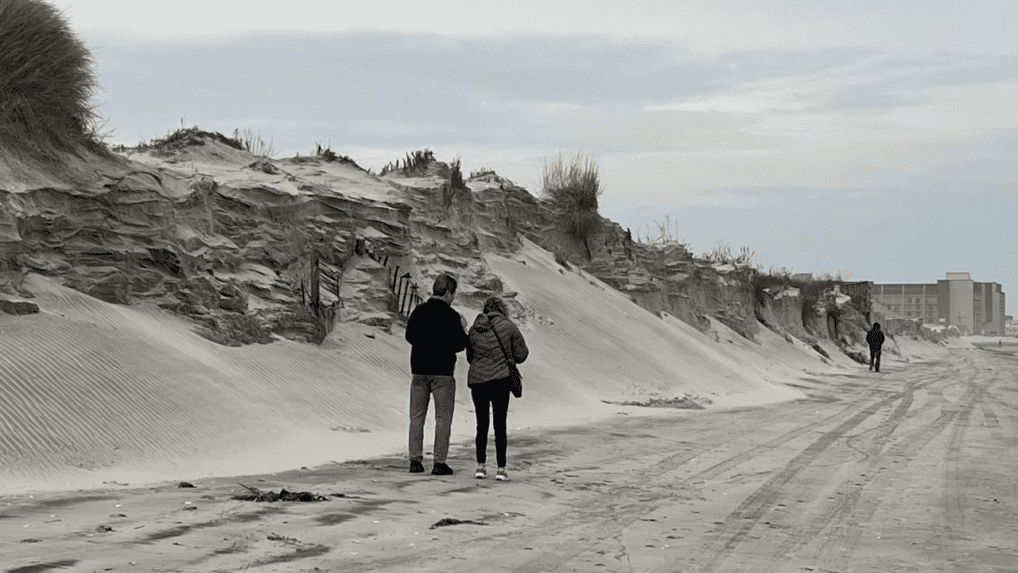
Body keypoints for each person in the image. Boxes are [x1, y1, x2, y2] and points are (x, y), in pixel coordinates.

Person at [404, 274, 469, 475]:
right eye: (453, 294)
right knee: (443, 419)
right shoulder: (452, 316)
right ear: (448, 292)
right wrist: (463, 329)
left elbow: (409, 336)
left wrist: (425, 343)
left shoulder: (419, 311)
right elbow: (460, 345)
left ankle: (415, 460)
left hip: (419, 370)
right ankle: (439, 463)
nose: (453, 298)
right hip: (443, 372)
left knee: (417, 417)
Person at [466, 296, 529, 482]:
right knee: (500, 424)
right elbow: (522, 354)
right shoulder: (508, 326)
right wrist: (507, 357)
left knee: (481, 424)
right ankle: (501, 469)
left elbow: (470, 357)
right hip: (501, 380)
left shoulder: (474, 328)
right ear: (502, 309)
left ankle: (480, 466)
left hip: (478, 381)